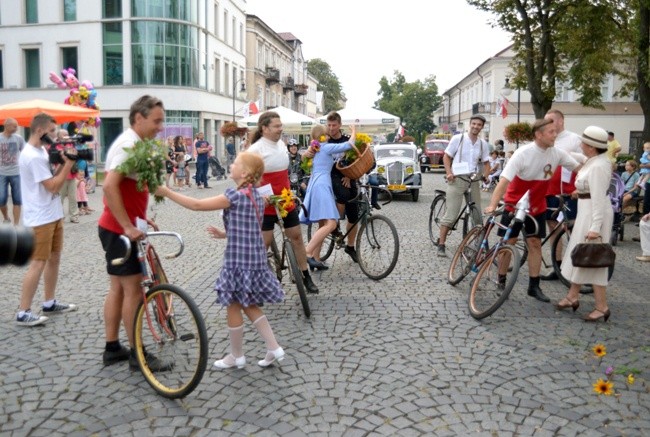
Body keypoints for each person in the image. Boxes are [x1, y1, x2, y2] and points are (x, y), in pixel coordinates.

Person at [156, 152, 286, 369]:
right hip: (254, 260)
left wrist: (167, 192)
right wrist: (225, 233)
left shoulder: (234, 197)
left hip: (237, 261)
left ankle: (237, 356)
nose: (231, 164)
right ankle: (273, 348)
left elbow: (197, 205)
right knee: (248, 304)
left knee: (233, 304)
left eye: (235, 163)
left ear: (244, 173)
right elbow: (249, 226)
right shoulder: (256, 196)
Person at [98, 95, 167, 368]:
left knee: (117, 289)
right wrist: (127, 225)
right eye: (156, 120)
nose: (160, 126)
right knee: (133, 291)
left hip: (118, 227)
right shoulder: (128, 144)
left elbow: (128, 188)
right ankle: (138, 354)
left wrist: (139, 218)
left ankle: (113, 347)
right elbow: (108, 186)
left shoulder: (136, 142)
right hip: (118, 231)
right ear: (139, 118)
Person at [485, 118, 581, 302]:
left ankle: (534, 286)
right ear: (539, 134)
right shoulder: (523, 153)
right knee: (508, 243)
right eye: (551, 132)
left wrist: (591, 177)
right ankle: (501, 280)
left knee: (535, 244)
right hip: (515, 204)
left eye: (555, 131)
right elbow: (504, 181)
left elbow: (578, 167)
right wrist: (493, 204)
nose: (555, 135)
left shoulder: (557, 153)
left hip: (537, 205)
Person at [16, 113, 78, 326]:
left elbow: (52, 177)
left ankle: (49, 302)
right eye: (52, 131)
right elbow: (53, 186)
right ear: (41, 131)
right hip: (39, 217)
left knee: (54, 258)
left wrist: (63, 163)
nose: (55, 135)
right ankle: (23, 312)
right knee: (38, 263)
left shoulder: (41, 150)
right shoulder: (31, 156)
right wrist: (69, 165)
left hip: (52, 213)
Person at [247, 111, 319, 294]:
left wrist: (305, 157)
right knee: (264, 242)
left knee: (296, 236)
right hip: (266, 201)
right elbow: (244, 177)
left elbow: (288, 168)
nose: (281, 129)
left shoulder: (281, 144)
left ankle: (305, 275)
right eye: (277, 126)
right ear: (264, 128)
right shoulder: (255, 150)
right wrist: (256, 192)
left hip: (285, 199)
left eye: (281, 125)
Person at [555, 126, 614, 322]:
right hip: (586, 213)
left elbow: (598, 198)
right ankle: (572, 296)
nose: (580, 144)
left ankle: (602, 306)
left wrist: (595, 228)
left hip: (594, 216)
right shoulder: (593, 160)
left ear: (591, 147)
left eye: (583, 142)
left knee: (595, 259)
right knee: (580, 255)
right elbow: (577, 161)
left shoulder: (598, 166)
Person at [299, 124, 356, 269]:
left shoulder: (315, 149)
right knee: (331, 224)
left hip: (315, 185)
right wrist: (354, 130)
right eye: (326, 134)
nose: (329, 136)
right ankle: (306, 252)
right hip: (322, 185)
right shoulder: (324, 147)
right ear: (321, 137)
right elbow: (350, 144)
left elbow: (305, 159)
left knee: (324, 223)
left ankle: (316, 259)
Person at [436, 114, 491, 257]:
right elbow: (446, 156)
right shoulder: (458, 139)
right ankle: (441, 244)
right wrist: (449, 173)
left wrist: (486, 175)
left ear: (482, 127)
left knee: (477, 214)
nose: (476, 127)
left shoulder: (482, 144)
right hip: (457, 178)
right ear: (470, 124)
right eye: (474, 124)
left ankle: (477, 244)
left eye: (479, 125)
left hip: (473, 180)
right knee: (452, 214)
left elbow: (486, 163)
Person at [541, 109, 584, 280]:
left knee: (571, 228)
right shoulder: (546, 139)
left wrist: (571, 155)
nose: (548, 124)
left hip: (569, 192)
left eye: (550, 121)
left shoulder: (574, 139)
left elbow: (587, 160)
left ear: (561, 121)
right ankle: (557, 266)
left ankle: (577, 267)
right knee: (553, 227)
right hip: (549, 190)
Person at [325, 111, 364, 262]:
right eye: (329, 125)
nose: (331, 128)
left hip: (349, 176)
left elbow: (355, 158)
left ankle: (350, 247)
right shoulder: (325, 141)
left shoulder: (347, 140)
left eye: (334, 125)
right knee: (342, 195)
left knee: (354, 216)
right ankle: (335, 226)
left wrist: (349, 175)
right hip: (332, 176)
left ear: (340, 125)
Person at [0, 117, 24, 225]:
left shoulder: (18, 138)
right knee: (1, 199)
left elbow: (25, 153)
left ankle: (16, 225)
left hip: (17, 173)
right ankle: (6, 217)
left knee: (17, 200)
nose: (16, 128)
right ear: (7, 126)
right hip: (2, 173)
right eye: (14, 126)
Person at [56, 129, 80, 223]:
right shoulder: (56, 146)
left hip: (72, 175)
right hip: (61, 176)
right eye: (64, 135)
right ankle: (59, 216)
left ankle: (74, 216)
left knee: (73, 197)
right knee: (60, 198)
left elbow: (75, 156)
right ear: (59, 137)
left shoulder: (71, 144)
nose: (67, 136)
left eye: (67, 134)